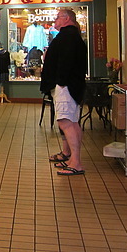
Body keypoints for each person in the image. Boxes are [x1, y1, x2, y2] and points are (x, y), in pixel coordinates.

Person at [40, 9, 87, 176]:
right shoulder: (71, 36)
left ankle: (76, 162)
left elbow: (66, 62)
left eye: (58, 17)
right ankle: (71, 157)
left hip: (65, 86)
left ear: (67, 19)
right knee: (72, 122)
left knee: (65, 122)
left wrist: (60, 81)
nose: (55, 20)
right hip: (69, 85)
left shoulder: (68, 37)